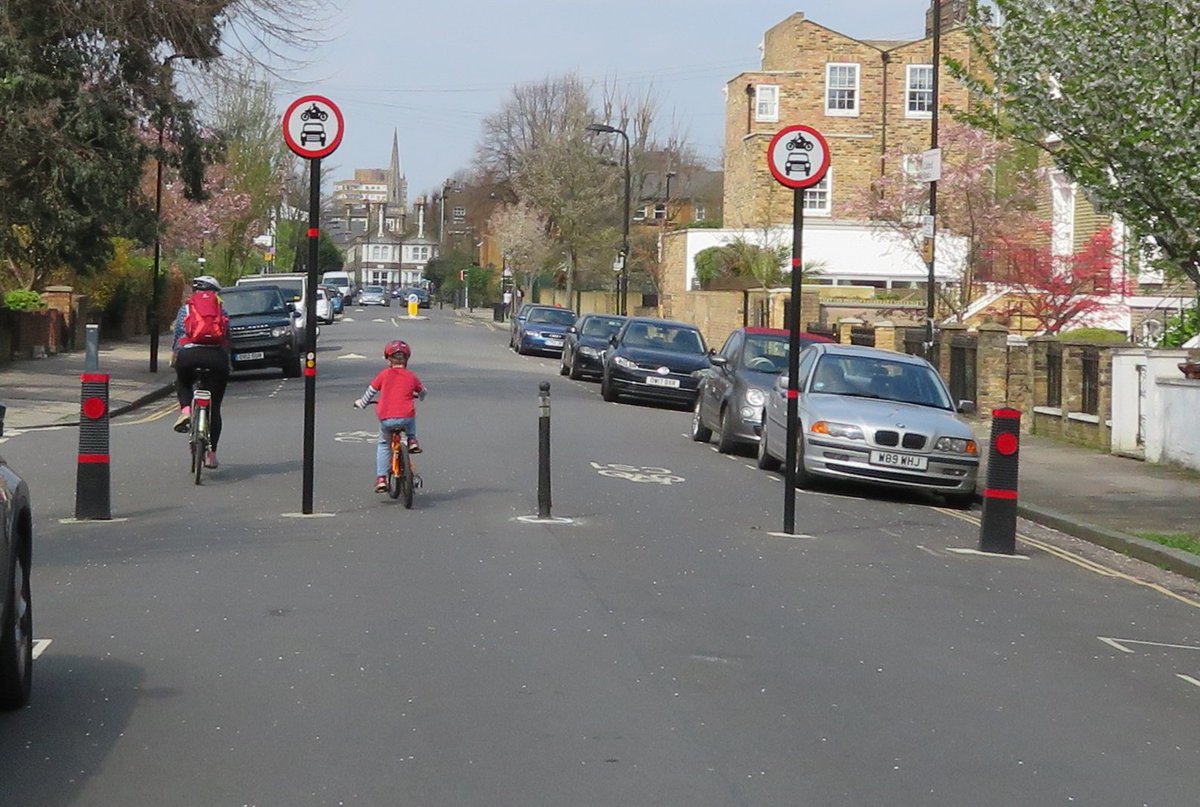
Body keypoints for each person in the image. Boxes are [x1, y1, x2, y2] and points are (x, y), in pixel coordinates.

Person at [171, 275, 231, 469]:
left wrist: (175, 357)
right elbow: (228, 338)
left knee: (183, 381)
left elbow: (180, 335)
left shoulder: (185, 309)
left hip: (189, 356)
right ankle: (211, 456)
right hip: (216, 359)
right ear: (215, 292)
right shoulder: (221, 309)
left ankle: (186, 410)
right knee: (215, 407)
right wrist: (227, 360)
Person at [354, 339, 427, 493]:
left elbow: (370, 392)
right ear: (406, 359)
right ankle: (412, 440)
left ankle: (381, 479)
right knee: (410, 413)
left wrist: (362, 403)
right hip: (406, 419)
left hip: (386, 419)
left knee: (383, 445)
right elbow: (423, 391)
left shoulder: (383, 375)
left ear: (388, 360)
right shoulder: (411, 376)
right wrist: (420, 396)